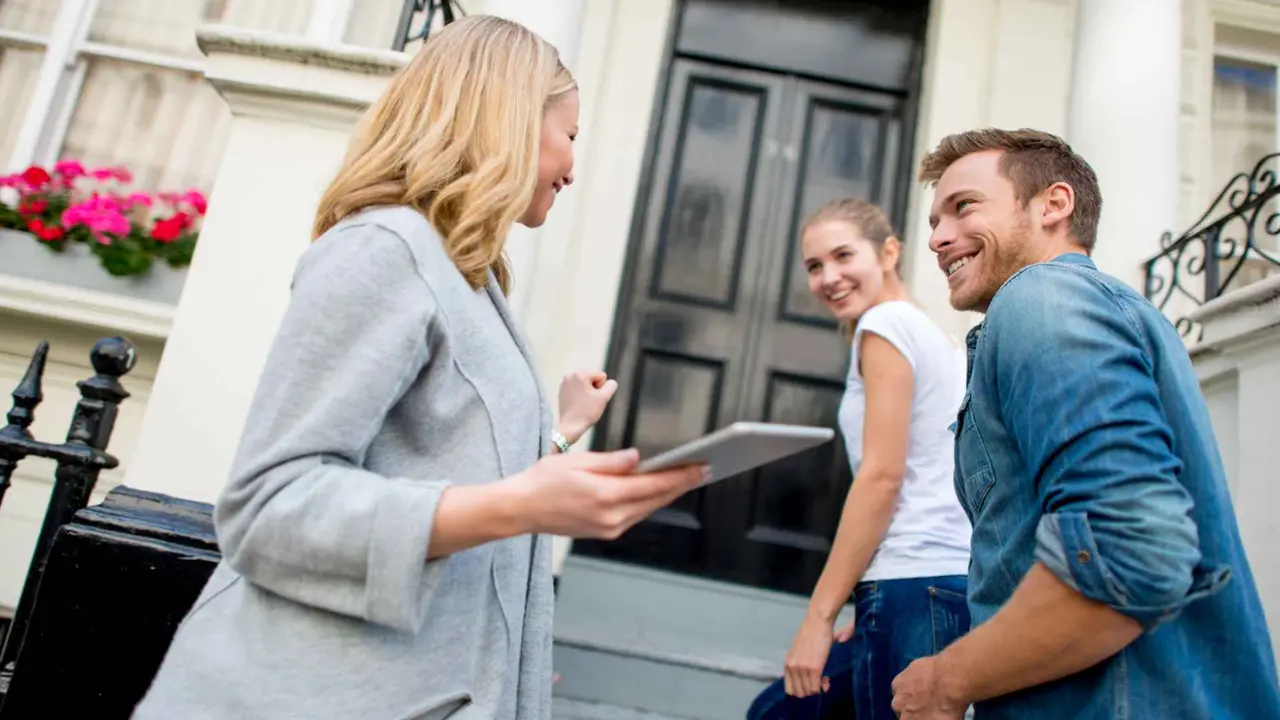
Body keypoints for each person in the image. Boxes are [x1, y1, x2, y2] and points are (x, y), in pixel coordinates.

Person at [131, 16, 705, 720]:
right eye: (571, 136)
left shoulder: (466, 274)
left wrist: (557, 437)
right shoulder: (383, 249)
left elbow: (437, 467)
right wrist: (519, 505)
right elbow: (267, 506)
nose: (573, 167)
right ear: (509, 121)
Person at [889, 127, 1280, 719]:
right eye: (934, 221)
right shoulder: (1107, 309)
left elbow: (1131, 550)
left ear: (1053, 203)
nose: (938, 238)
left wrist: (948, 680)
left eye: (964, 206)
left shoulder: (1042, 299)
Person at [775, 198, 972, 720]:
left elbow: (882, 478)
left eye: (843, 256)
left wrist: (819, 618)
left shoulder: (886, 325)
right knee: (780, 710)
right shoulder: (934, 335)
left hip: (914, 578)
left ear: (888, 253)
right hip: (934, 581)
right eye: (814, 266)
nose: (828, 277)